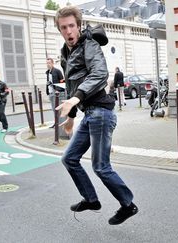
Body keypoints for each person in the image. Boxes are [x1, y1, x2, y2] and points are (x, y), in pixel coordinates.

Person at [55, 6, 138, 225]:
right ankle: (91, 199)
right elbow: (72, 87)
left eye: (72, 25)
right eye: (64, 27)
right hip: (89, 114)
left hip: (101, 113)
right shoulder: (66, 53)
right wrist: (71, 116)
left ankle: (128, 205)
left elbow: (100, 74)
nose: (69, 31)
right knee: (69, 159)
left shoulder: (88, 45)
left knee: (101, 166)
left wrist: (75, 99)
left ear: (78, 26)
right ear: (60, 30)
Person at [46, 57, 65, 128]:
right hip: (51, 93)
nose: (48, 64)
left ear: (52, 63)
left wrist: (58, 89)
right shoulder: (48, 72)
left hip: (57, 93)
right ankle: (56, 123)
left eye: (49, 63)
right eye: (47, 63)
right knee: (54, 109)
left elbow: (62, 81)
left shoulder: (57, 71)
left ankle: (59, 123)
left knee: (58, 109)